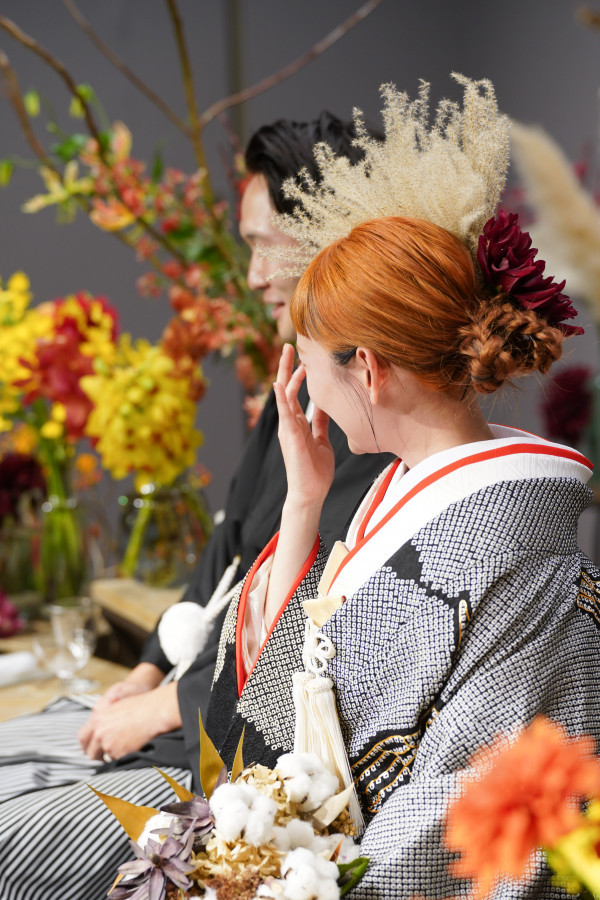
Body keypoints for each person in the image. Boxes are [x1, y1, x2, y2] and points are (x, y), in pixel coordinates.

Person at [204, 77, 600, 898]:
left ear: (370, 372)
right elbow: (266, 709)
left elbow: (457, 815)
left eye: (312, 375)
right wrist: (303, 502)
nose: (306, 398)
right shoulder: (402, 497)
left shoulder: (520, 562)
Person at [0, 114, 390, 900]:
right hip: (181, 703)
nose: (250, 277)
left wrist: (157, 711)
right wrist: (145, 670)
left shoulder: (369, 420)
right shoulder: (297, 392)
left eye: (259, 243)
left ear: (325, 232)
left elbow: (315, 624)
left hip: (235, 756)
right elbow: (226, 551)